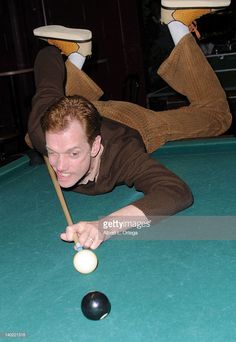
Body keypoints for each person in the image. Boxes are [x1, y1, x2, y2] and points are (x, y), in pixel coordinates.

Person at [28, 1, 232, 249]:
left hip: (132, 121)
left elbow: (176, 192)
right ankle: (76, 52)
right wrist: (51, 50)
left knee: (217, 115)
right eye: (53, 152)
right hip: (78, 113)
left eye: (72, 153)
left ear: (95, 147)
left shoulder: (122, 154)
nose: (59, 166)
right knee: (33, 135)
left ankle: (176, 21)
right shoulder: (44, 130)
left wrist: (105, 226)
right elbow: (47, 82)